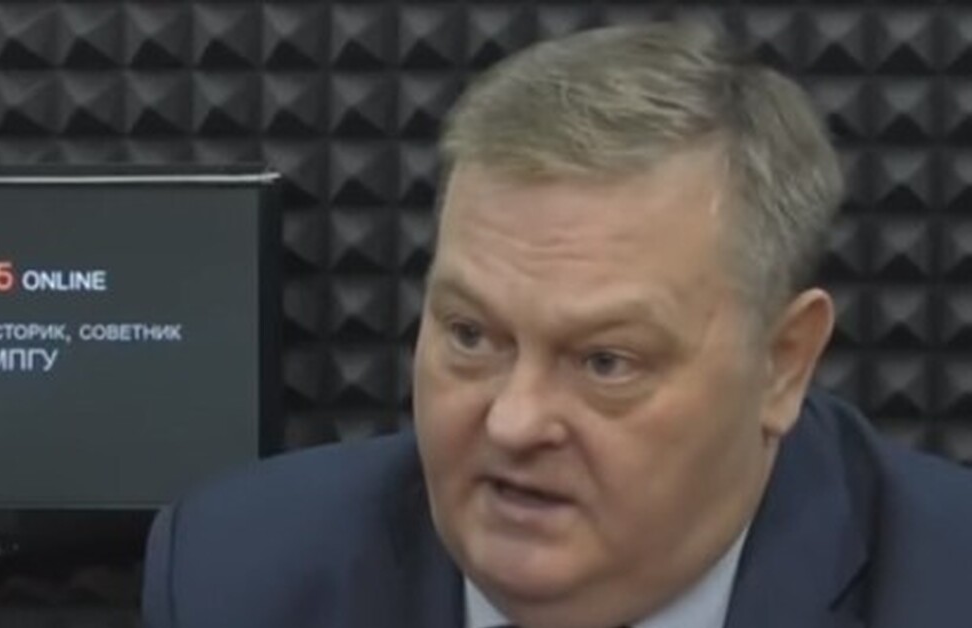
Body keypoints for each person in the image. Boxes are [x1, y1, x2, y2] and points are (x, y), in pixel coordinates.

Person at [142, 20, 972, 628]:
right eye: (471, 336)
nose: (513, 422)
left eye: (605, 361)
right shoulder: (238, 576)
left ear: (783, 363)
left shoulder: (943, 584)